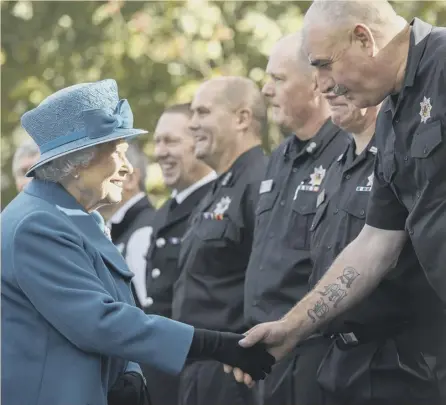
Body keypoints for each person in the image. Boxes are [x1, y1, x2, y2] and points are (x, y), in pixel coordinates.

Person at [0, 79, 275, 405]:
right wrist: (214, 345)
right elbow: (98, 321)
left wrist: (130, 371)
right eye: (117, 152)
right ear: (78, 163)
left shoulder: (68, 216)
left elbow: (118, 308)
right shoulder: (37, 224)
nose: (129, 167)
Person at [228, 0, 446, 399]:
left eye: (325, 64)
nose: (322, 83)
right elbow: (375, 242)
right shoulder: (393, 116)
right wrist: (292, 326)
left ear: (363, 38)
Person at [242, 32, 349, 405]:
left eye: (279, 79)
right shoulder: (280, 157)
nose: (266, 91)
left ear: (316, 86)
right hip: (270, 352)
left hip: (316, 351)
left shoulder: (347, 151)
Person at [171, 76, 269, 405]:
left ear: (241, 118)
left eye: (203, 113)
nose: (193, 125)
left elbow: (271, 285)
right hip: (199, 371)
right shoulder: (217, 190)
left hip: (234, 373)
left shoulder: (262, 184)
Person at [141, 103, 216, 405]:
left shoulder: (218, 203)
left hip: (204, 372)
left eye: (170, 141)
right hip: (164, 372)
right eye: (157, 141)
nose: (160, 152)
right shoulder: (164, 213)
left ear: (198, 141)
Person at [99, 142, 156, 309]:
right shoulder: (118, 231)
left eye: (102, 167)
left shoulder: (144, 232)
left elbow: (152, 312)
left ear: (129, 178)